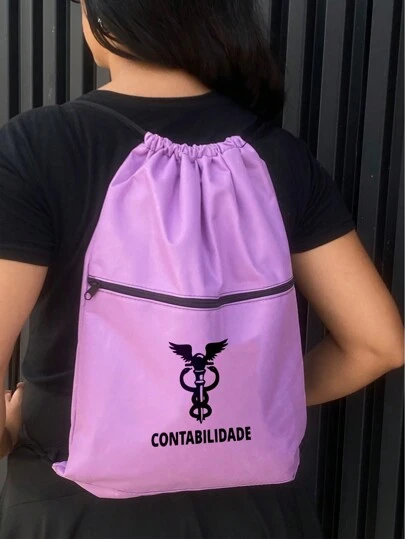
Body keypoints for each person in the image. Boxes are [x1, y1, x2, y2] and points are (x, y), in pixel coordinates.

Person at [0, 1, 403, 537]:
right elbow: (377, 344)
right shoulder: (280, 155)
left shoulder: (36, 148)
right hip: (259, 515)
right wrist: (243, 404)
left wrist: (11, 428)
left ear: (105, 15)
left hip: (74, 508)